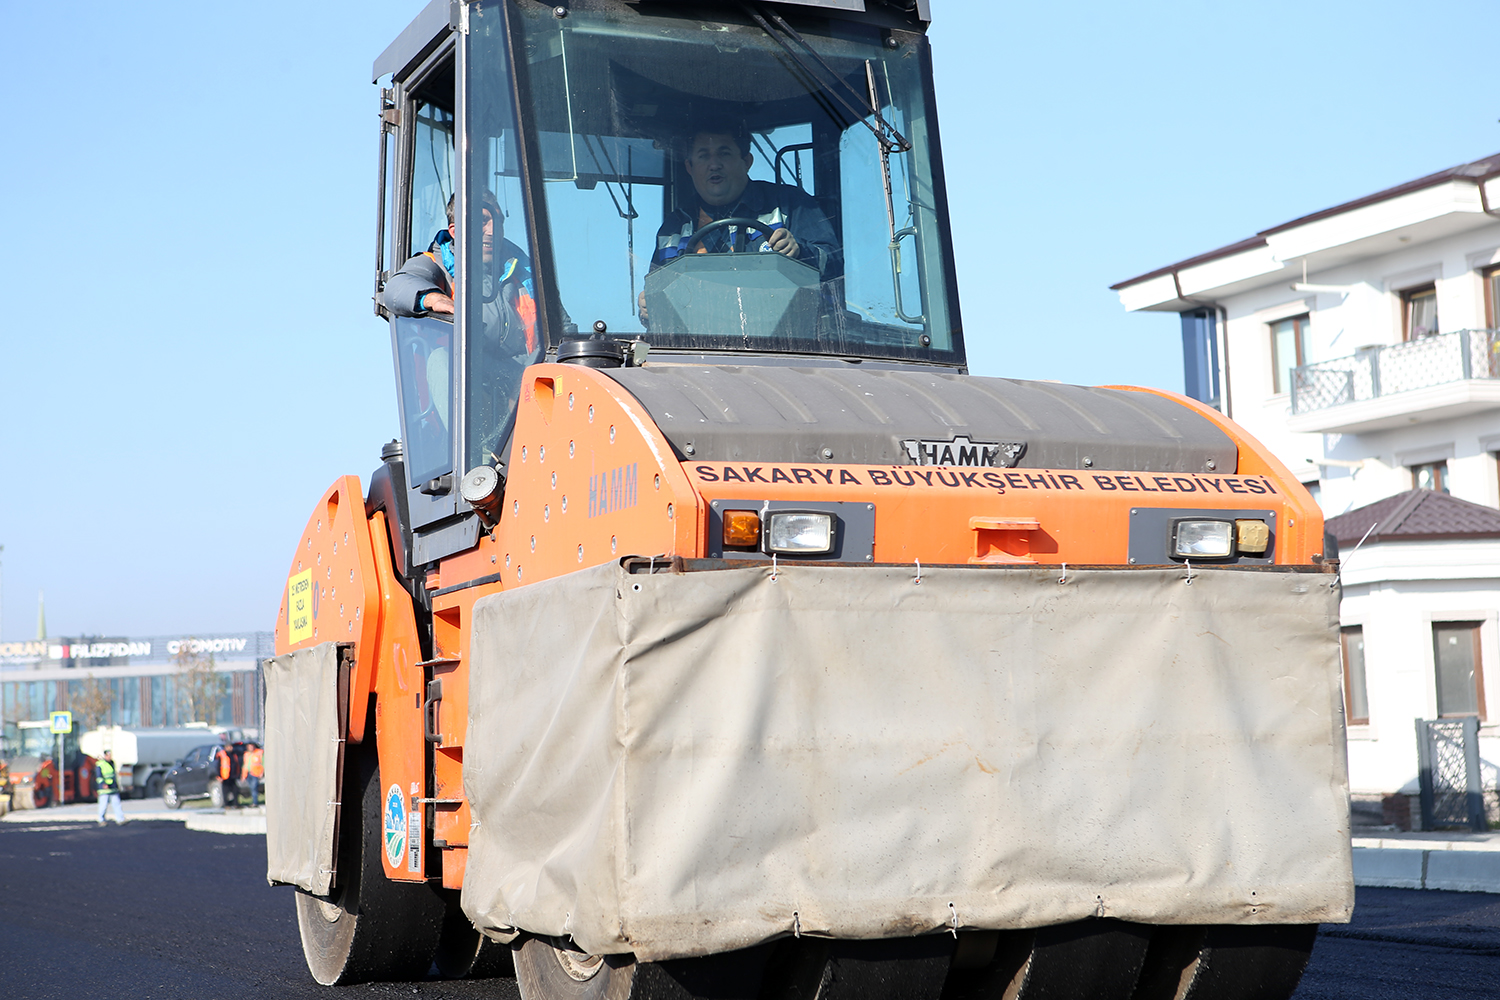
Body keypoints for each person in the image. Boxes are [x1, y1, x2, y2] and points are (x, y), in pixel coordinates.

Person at [95, 750, 126, 826]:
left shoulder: (112, 763)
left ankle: (120, 819)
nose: (110, 757)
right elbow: (99, 776)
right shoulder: (100, 764)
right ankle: (101, 820)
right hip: (104, 789)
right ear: (105, 756)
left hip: (113, 788)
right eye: (108, 755)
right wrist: (103, 784)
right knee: (103, 805)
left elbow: (114, 775)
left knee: (117, 804)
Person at [242, 743, 264, 809]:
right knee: (251, 788)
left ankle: (255, 802)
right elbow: (245, 765)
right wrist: (243, 775)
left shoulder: (258, 753)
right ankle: (253, 801)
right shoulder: (246, 754)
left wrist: (261, 772)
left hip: (255, 773)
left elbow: (262, 762)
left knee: (254, 788)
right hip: (248, 773)